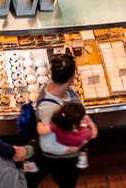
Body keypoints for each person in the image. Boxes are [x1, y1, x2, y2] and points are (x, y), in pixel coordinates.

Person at [30, 51, 85, 187]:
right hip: (62, 158)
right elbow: (49, 145)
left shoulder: (52, 85)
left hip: (63, 152)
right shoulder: (51, 109)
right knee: (66, 182)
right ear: (71, 77)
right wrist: (78, 145)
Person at [44, 102, 95, 172]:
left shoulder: (56, 126)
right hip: (74, 147)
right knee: (85, 144)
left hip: (60, 143)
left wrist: (40, 123)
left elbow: (41, 130)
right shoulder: (85, 133)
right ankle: (82, 159)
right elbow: (93, 134)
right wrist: (90, 122)